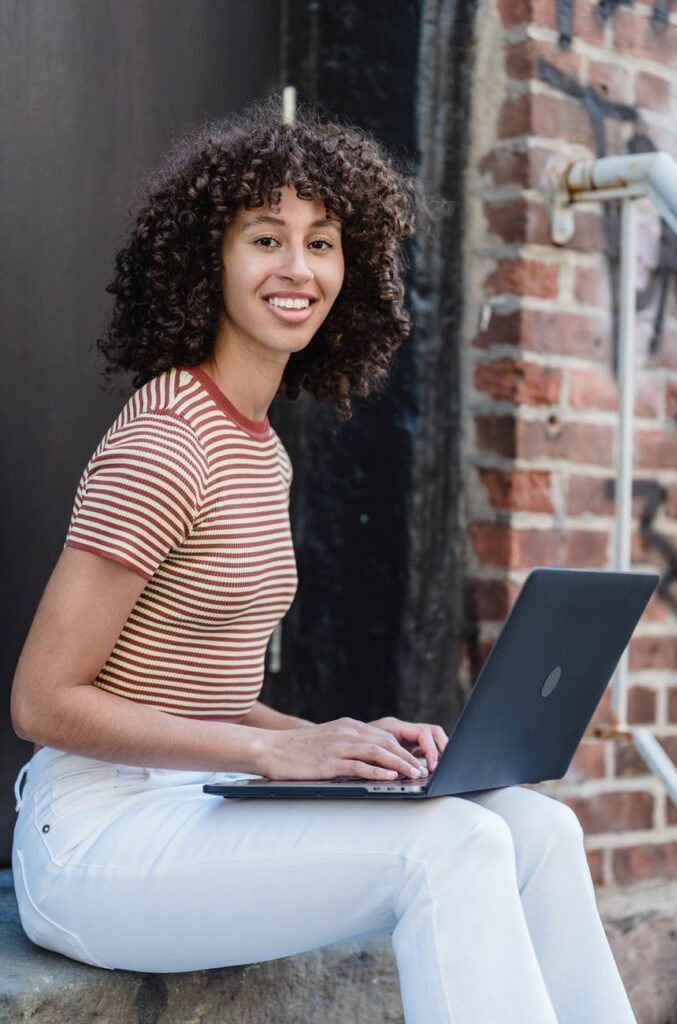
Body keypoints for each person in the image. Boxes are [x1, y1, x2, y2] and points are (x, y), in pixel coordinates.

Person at [10, 93, 636, 1023]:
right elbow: (43, 701)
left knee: (537, 828)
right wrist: (279, 750)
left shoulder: (259, 446)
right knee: (451, 846)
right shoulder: (165, 442)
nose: (297, 267)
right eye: (265, 239)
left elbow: (192, 693)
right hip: (97, 839)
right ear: (207, 261)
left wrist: (345, 744)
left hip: (201, 798)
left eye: (323, 240)